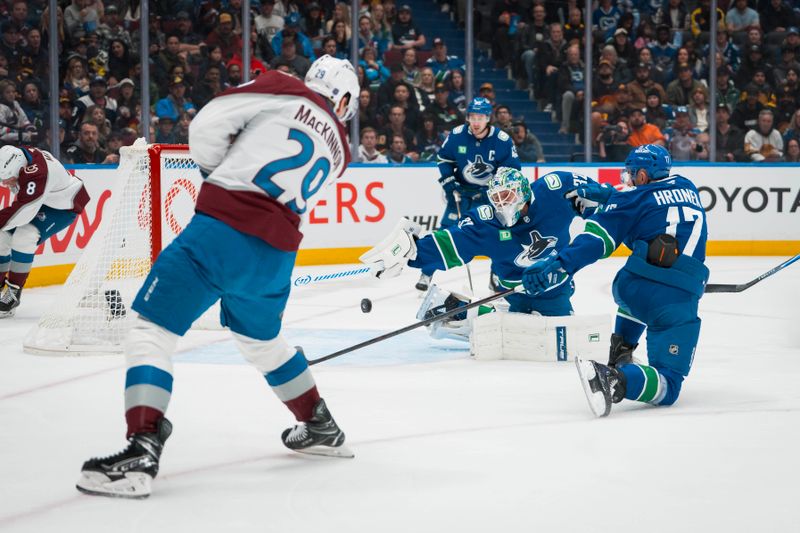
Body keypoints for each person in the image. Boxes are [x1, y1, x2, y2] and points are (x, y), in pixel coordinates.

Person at [76, 55, 360, 499]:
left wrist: (216, 173)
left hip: (223, 229)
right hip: (277, 254)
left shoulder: (284, 87)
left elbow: (207, 124)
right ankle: (318, 422)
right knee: (262, 342)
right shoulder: (341, 148)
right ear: (342, 100)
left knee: (151, 330)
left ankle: (142, 445)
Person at [521, 144, 709, 418]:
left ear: (643, 176)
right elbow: (649, 202)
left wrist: (561, 264)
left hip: (631, 287)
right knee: (669, 385)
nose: (629, 179)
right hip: (674, 297)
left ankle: (621, 350)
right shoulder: (687, 185)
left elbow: (598, 238)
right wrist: (611, 197)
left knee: (638, 299)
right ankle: (612, 378)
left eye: (632, 174)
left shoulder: (630, 201)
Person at [360, 167, 607, 340]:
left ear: (522, 192)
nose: (501, 205)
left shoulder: (555, 188)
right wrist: (410, 254)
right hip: (513, 289)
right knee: (522, 335)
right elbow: (450, 243)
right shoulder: (485, 222)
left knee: (558, 337)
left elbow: (604, 199)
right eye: (496, 199)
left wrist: (606, 198)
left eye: (506, 196)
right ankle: (463, 312)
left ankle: (468, 314)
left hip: (555, 285)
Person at [419, 97, 521, 291]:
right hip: (462, 195)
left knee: (501, 237)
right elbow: (443, 159)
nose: (475, 122)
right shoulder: (457, 135)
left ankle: (497, 276)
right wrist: (449, 181)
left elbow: (513, 171)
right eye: (472, 117)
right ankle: (427, 271)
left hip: (492, 198)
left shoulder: (502, 140)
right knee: (445, 233)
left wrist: (499, 190)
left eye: (480, 117)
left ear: (488, 118)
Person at [0, 145, 90, 316]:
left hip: (64, 206)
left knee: (25, 235)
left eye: (8, 178)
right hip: (45, 199)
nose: (5, 183)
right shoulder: (20, 156)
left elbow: (24, 213)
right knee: (1, 236)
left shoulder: (37, 173)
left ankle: (13, 292)